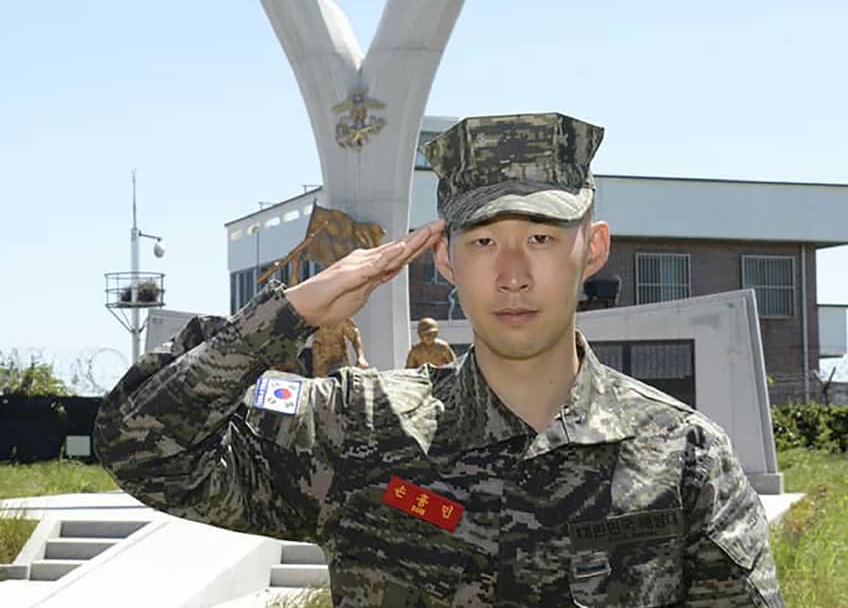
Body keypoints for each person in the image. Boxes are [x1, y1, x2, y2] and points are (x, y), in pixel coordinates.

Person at [93, 112, 782, 607]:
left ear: (592, 247)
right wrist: (289, 314)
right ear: (445, 256)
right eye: (483, 242)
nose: (512, 273)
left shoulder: (684, 454)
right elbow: (145, 448)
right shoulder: (359, 430)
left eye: (541, 237)